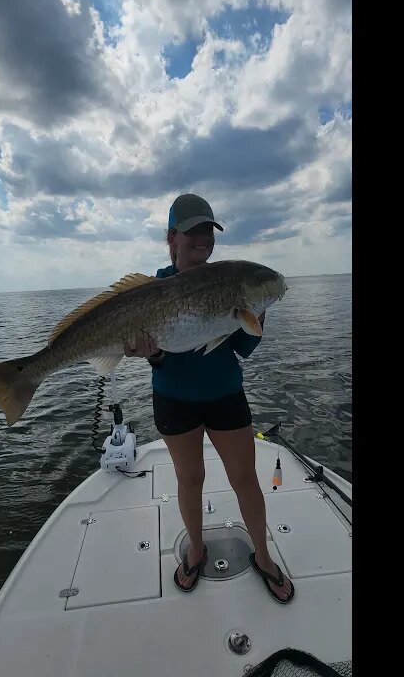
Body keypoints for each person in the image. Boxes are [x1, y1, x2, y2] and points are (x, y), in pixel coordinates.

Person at [122, 193, 294, 604]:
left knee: (245, 478)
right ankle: (196, 550)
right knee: (190, 478)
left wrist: (256, 314)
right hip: (175, 399)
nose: (202, 238)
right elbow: (161, 360)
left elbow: (243, 349)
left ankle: (264, 556)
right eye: (192, 231)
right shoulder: (154, 288)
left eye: (208, 231)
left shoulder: (230, 280)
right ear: (172, 238)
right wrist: (153, 352)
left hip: (225, 395)